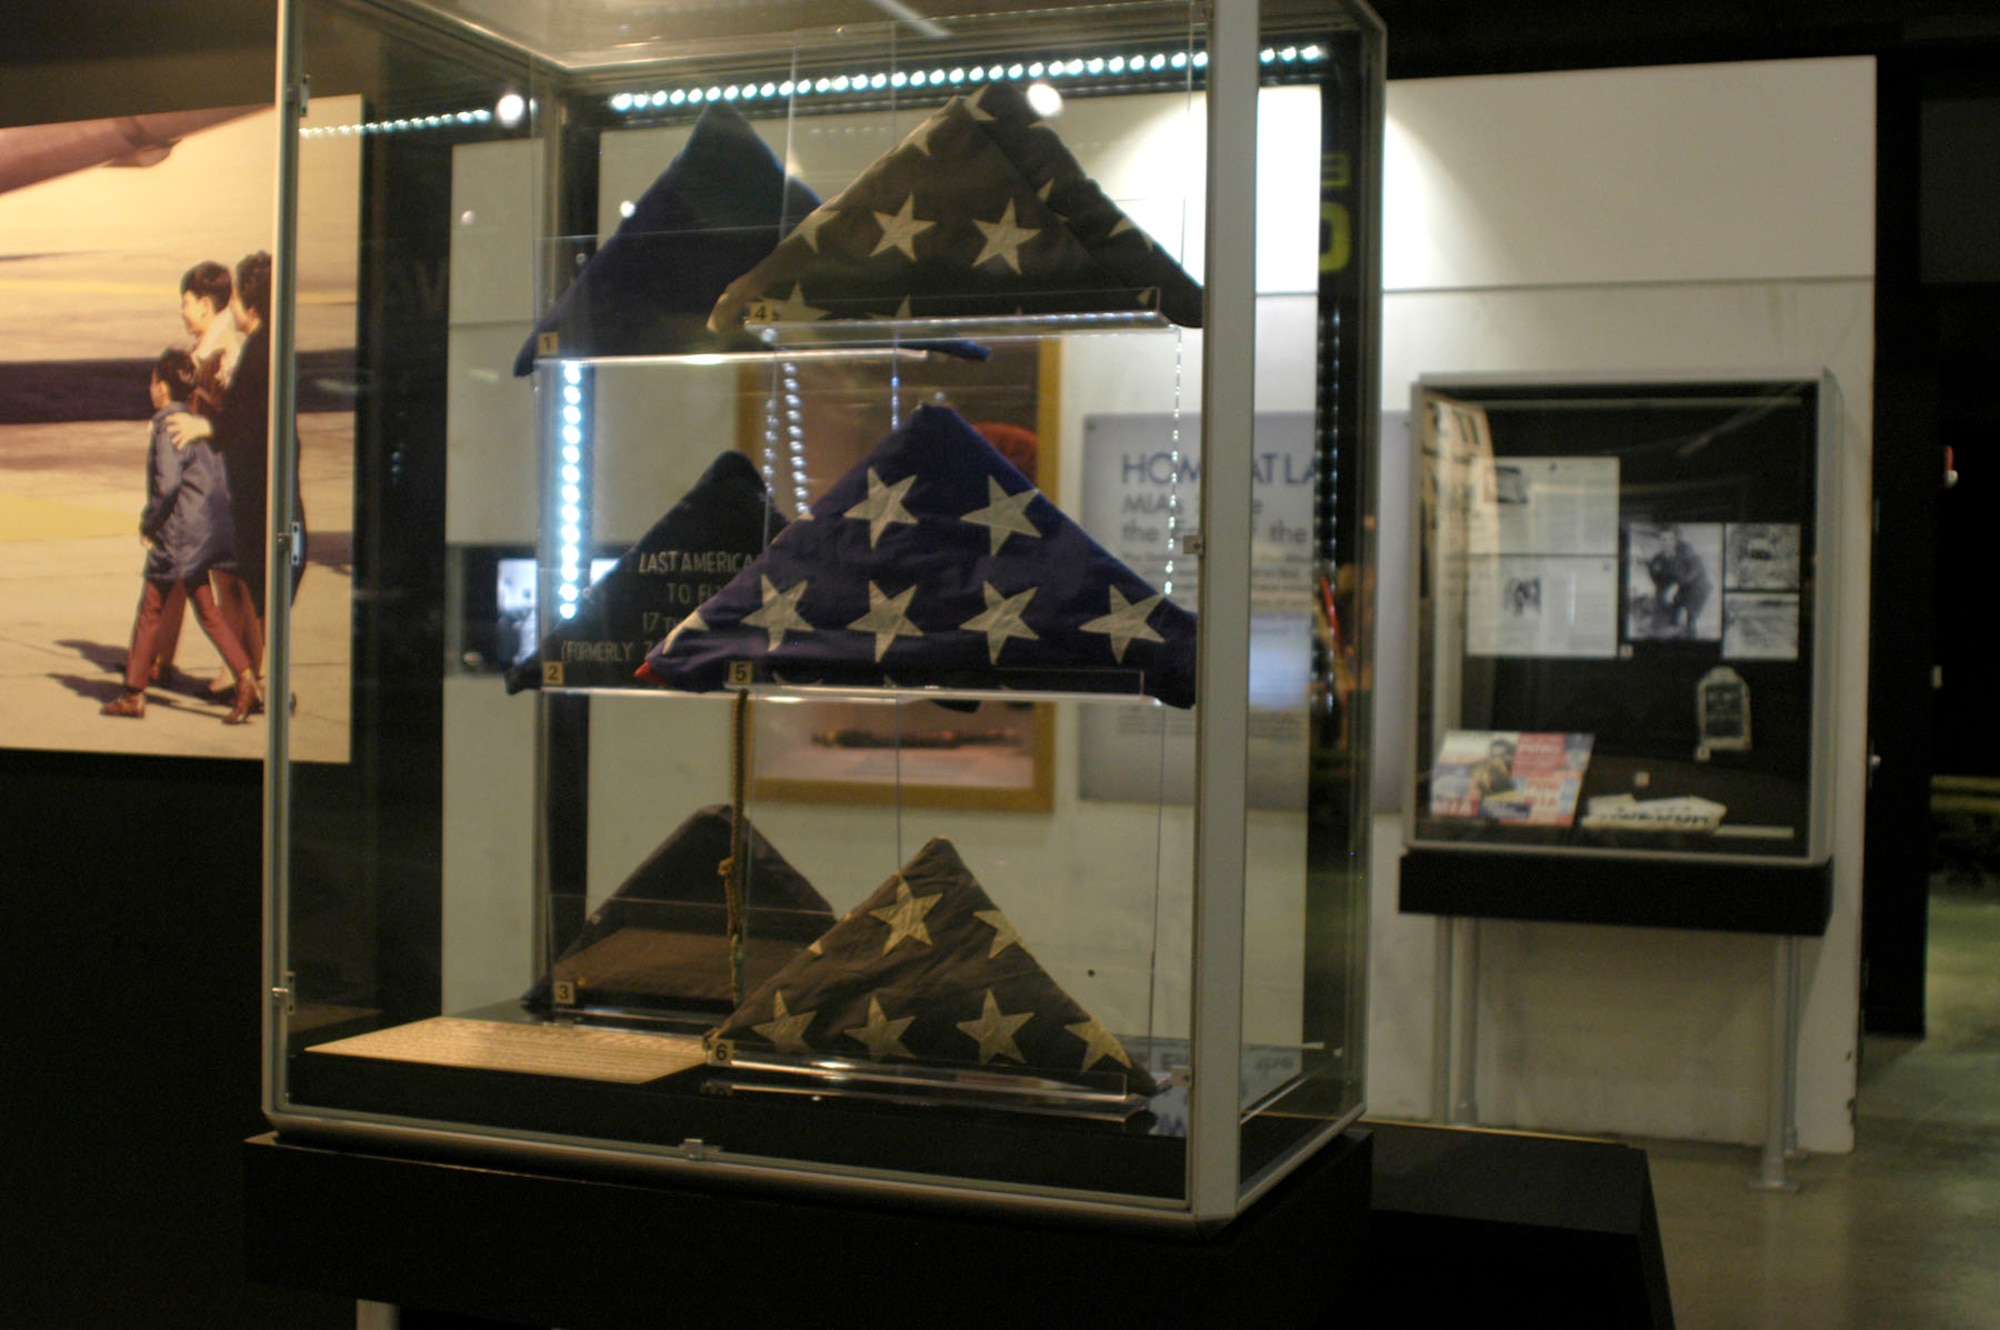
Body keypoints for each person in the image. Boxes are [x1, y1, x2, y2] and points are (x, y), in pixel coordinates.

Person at [167, 251, 305, 688]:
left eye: (187, 301)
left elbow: (244, 418)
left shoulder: (249, 351)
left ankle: (256, 674)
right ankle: (247, 670)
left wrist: (202, 420)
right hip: (253, 484)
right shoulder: (260, 346)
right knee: (244, 582)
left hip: (250, 487)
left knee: (251, 583)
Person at [101, 349, 260, 723]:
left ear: (161, 388)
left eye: (153, 381)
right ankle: (246, 677)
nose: (150, 387)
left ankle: (133, 693)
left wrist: (149, 524)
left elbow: (168, 486)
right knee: (207, 610)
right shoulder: (195, 422)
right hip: (203, 531)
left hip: (177, 535)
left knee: (151, 608)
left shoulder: (166, 426)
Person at [149, 260, 247, 688]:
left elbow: (234, 416)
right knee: (178, 571)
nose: (182, 311)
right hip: (203, 477)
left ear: (205, 304)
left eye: (186, 303)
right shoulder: (213, 339)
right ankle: (158, 659)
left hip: (216, 480)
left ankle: (243, 670)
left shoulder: (224, 347)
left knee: (228, 584)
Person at [1647, 525, 1712, 638]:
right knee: (1661, 623)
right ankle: (1673, 619)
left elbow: (1694, 572)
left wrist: (1677, 586)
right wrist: (1661, 597)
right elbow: (1657, 580)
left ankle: (1691, 622)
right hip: (1674, 590)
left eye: (1670, 539)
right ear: (1659, 541)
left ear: (1676, 540)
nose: (1667, 543)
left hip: (1695, 588)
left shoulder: (1688, 553)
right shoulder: (1656, 560)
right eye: (1663, 539)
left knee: (1689, 619)